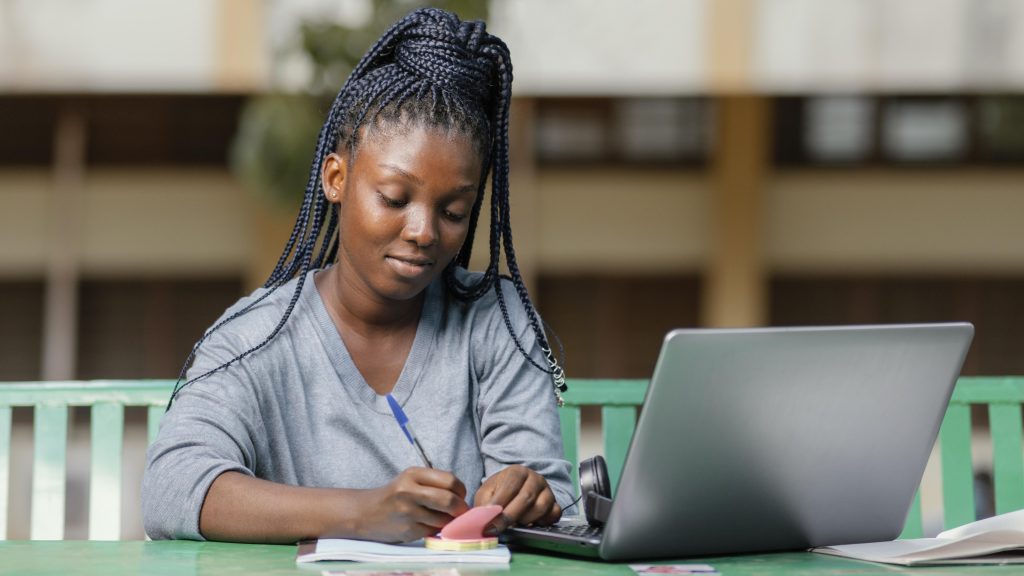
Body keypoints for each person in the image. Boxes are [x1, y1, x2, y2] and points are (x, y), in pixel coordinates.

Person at [141, 8, 573, 544]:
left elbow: (552, 498)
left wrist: (530, 494)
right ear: (336, 177)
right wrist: (359, 513)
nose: (423, 231)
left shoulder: (496, 324)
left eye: (454, 212)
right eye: (395, 198)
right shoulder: (258, 335)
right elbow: (169, 489)